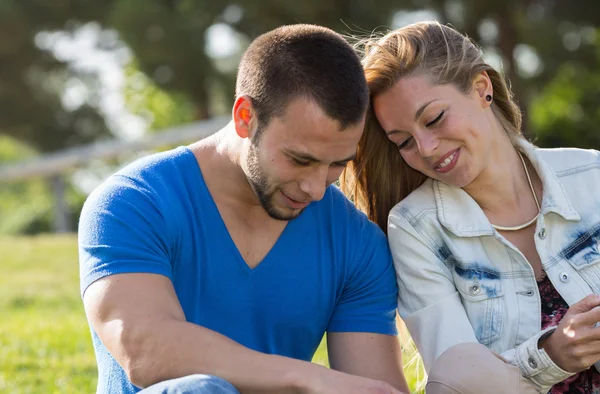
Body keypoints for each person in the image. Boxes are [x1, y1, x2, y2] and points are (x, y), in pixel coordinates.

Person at [78, 24, 410, 394]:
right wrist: (308, 377)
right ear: (245, 117)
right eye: (300, 160)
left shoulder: (357, 243)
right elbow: (143, 349)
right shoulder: (134, 202)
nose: (316, 189)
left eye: (337, 165)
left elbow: (373, 389)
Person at [341, 21, 600, 393]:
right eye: (404, 142)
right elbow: (461, 377)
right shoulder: (416, 227)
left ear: (482, 89)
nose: (426, 148)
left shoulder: (592, 175)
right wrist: (550, 355)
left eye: (434, 119)